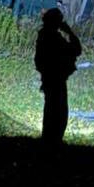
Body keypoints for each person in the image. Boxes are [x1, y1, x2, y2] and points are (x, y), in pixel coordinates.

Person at [34, 8, 82, 146]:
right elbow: (76, 49)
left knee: (51, 108)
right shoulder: (53, 38)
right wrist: (69, 32)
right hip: (56, 79)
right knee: (58, 110)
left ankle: (49, 139)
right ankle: (53, 140)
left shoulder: (44, 36)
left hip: (50, 78)